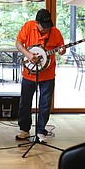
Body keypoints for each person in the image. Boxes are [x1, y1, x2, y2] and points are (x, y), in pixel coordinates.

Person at [15, 9, 66, 143]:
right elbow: (18, 43)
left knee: (44, 104)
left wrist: (62, 50)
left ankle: (41, 131)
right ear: (36, 23)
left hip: (48, 75)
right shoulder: (28, 26)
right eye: (43, 27)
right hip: (29, 73)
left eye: (48, 26)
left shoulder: (55, 32)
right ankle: (24, 129)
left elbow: (61, 47)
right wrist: (29, 55)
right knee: (25, 102)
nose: (46, 29)